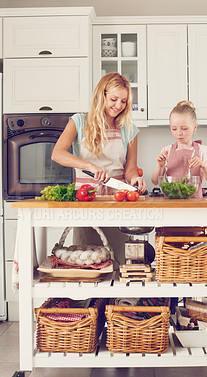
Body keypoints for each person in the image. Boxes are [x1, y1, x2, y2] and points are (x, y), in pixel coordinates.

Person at [51, 72, 147, 264]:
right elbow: (57, 153)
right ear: (101, 95)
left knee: (118, 262)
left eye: (124, 101)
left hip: (116, 201)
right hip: (86, 201)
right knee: (85, 260)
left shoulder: (129, 129)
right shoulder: (78, 122)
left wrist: (135, 178)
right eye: (113, 99)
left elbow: (129, 169)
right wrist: (89, 166)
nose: (118, 105)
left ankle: (120, 296)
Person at [151, 100, 207, 197]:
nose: (179, 133)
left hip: (195, 205)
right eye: (174, 129)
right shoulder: (166, 150)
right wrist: (160, 166)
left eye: (184, 128)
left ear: (194, 127)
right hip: (171, 204)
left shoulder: (203, 150)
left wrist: (203, 165)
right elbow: (155, 181)